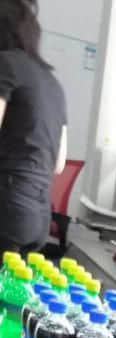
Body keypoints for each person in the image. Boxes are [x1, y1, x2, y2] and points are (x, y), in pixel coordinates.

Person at [0, 0, 67, 254]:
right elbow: (58, 164)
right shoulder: (53, 83)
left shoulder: (6, 64)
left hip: (7, 205)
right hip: (38, 216)